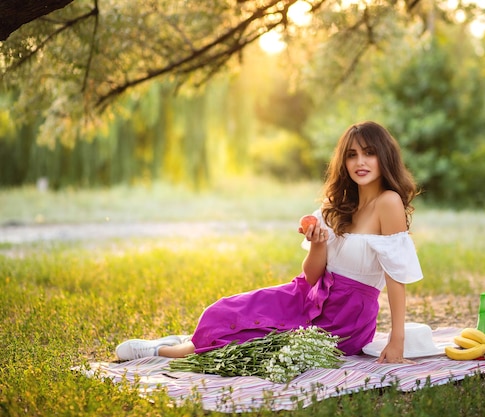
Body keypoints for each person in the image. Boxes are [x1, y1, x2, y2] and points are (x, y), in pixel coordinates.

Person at [116, 121, 423, 364]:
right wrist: (317, 244)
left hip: (344, 320)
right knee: (222, 311)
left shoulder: (388, 202)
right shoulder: (337, 205)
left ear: (384, 157)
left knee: (251, 344)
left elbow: (396, 277)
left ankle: (161, 352)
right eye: (352, 154)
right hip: (307, 295)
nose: (360, 162)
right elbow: (312, 276)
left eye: (369, 153)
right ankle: (185, 342)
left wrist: (397, 340)